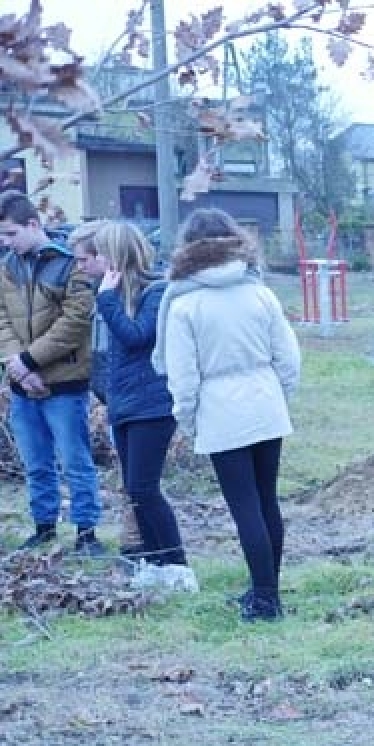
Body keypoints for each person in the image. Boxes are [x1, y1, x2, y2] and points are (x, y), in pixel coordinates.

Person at [159, 208, 301, 622]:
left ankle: (265, 599)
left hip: (220, 412)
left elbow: (183, 377)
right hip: (265, 403)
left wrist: (188, 419)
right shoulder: (261, 294)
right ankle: (266, 590)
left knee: (244, 507)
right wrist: (278, 396)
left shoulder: (183, 306)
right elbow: (288, 357)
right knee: (266, 500)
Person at [73, 220, 196, 592]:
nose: (87, 263)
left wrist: (106, 300)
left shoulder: (155, 291)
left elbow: (137, 336)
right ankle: (156, 564)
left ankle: (178, 565)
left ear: (115, 256)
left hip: (152, 406)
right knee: (135, 490)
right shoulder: (115, 295)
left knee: (145, 488)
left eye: (97, 254)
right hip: (124, 406)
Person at [0, 192, 103, 555]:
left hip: (64, 382)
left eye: (11, 233)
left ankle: (86, 532)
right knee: (36, 463)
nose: (6, 242)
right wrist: (16, 364)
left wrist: (29, 360)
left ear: (33, 224)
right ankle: (43, 527)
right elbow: (1, 319)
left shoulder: (71, 264)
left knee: (75, 461)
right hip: (22, 383)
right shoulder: (6, 267)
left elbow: (75, 321)